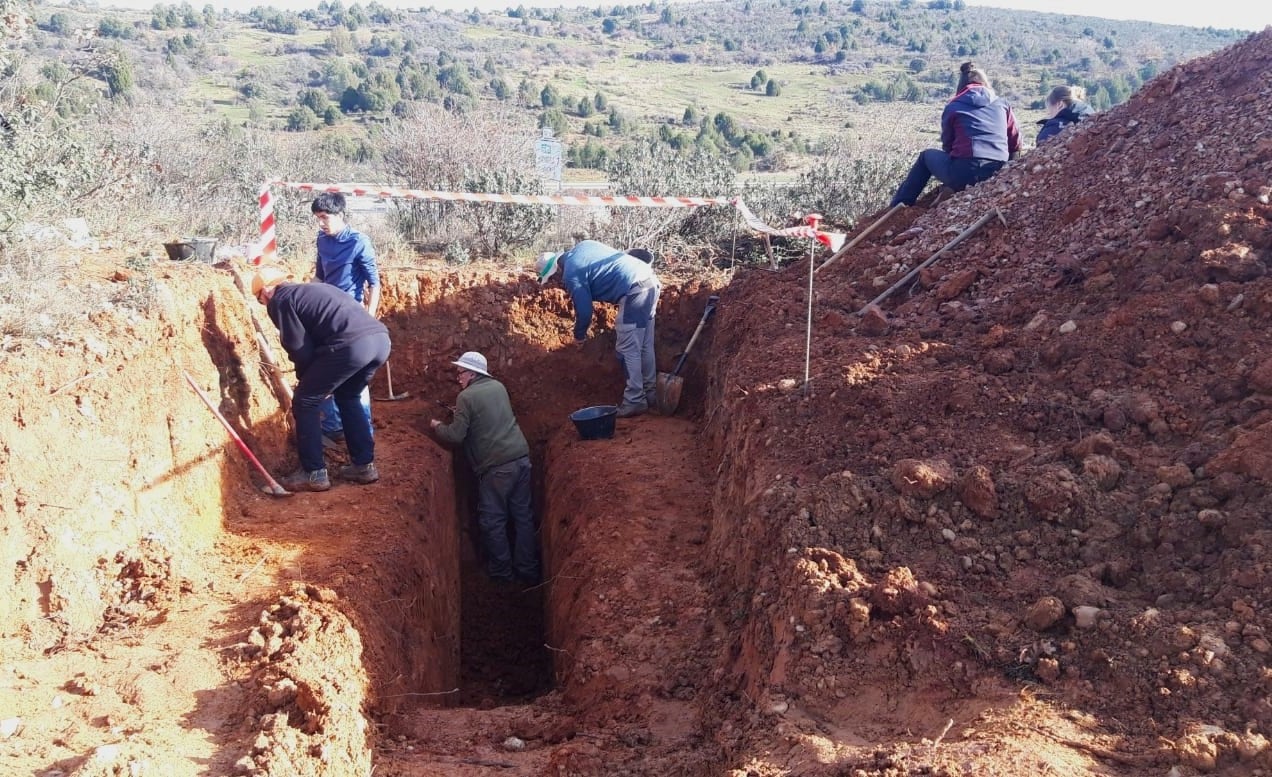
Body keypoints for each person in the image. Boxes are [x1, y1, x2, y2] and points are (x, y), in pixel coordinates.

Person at [252, 266, 390, 492]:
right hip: (380, 341)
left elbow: (299, 347)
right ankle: (364, 466)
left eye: (260, 301)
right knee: (349, 396)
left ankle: (313, 473)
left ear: (266, 291)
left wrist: (305, 380)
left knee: (305, 401)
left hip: (351, 345)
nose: (264, 305)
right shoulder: (312, 290)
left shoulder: (281, 300)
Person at [430, 352, 541, 585]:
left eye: (460, 373)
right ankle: (528, 570)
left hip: (497, 467)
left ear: (472, 374)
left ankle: (502, 575)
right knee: (523, 518)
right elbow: (489, 416)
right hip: (520, 458)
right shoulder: (498, 387)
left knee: (494, 521)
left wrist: (438, 425)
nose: (458, 378)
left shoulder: (466, 397)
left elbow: (456, 436)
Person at [536, 240, 661, 418]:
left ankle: (635, 400)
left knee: (627, 348)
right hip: (651, 282)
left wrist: (579, 336)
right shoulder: (583, 246)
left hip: (635, 291)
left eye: (554, 279)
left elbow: (585, 311)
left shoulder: (571, 272)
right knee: (645, 345)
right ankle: (650, 394)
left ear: (555, 271)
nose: (558, 284)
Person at [889, 62, 1022, 207]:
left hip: (964, 171)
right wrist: (1008, 171)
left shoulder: (954, 106)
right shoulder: (1002, 105)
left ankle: (900, 204)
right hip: (997, 171)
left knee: (925, 156)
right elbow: (1015, 142)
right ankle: (958, 188)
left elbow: (948, 143)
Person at [310, 192, 381, 447]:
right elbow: (319, 277)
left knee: (355, 375)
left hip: (352, 316)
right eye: (318, 218)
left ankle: (364, 435)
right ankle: (334, 426)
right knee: (326, 369)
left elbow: (374, 283)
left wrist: (369, 318)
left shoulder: (359, 242)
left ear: (339, 215)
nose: (321, 223)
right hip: (325, 314)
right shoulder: (321, 240)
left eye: (324, 217)